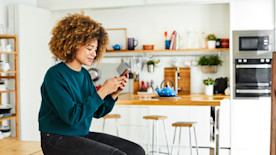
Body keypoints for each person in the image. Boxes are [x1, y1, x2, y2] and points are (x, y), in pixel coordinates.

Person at [38, 14, 145, 155]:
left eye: (95, 49)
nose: (93, 54)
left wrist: (112, 94)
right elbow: (72, 117)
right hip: (56, 138)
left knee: (136, 151)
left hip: (80, 135)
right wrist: (102, 91)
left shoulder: (84, 74)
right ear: (73, 43)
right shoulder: (55, 75)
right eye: (89, 48)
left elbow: (97, 112)